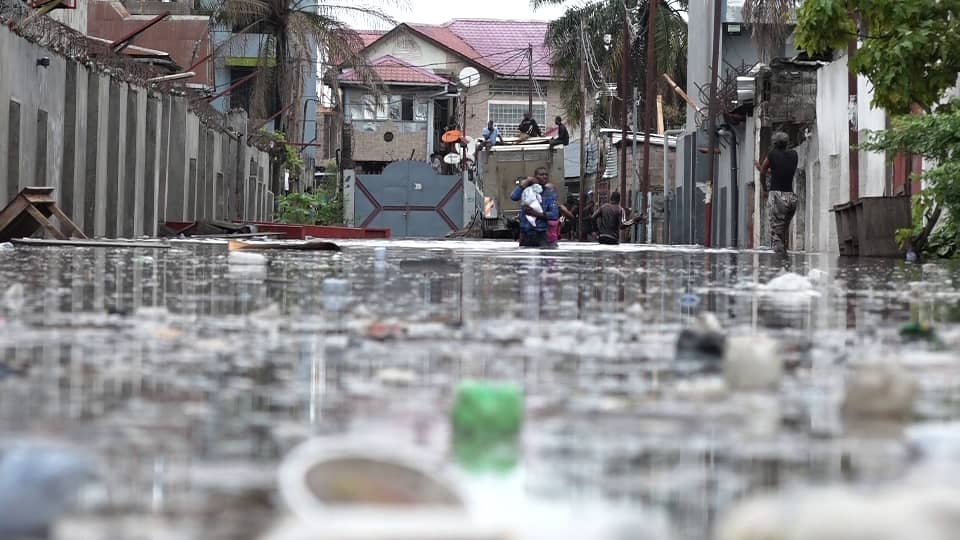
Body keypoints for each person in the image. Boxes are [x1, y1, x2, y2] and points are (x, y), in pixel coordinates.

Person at [755, 131, 799, 255]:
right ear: (787, 143)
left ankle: (779, 266)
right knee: (783, 232)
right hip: (791, 198)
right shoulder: (794, 155)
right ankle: (786, 264)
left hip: (777, 197)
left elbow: (763, 172)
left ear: (774, 143)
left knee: (776, 235)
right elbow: (781, 171)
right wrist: (765, 169)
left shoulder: (772, 154)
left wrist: (764, 189)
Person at [509, 167, 549, 247]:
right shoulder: (527, 190)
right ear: (535, 176)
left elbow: (552, 214)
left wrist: (535, 213)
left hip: (541, 232)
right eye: (541, 174)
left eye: (546, 175)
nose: (544, 176)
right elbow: (514, 197)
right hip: (526, 232)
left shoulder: (548, 191)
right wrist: (527, 181)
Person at [542, 182, 575, 248]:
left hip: (552, 239)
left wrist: (561, 220)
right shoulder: (539, 203)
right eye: (547, 190)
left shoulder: (557, 205)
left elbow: (569, 216)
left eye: (551, 190)